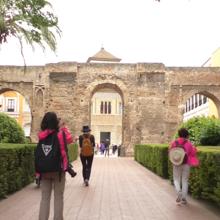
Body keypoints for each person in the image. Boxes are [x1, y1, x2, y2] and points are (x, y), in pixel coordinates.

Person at [36, 112, 74, 220]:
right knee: (58, 197)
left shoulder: (41, 135)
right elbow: (70, 139)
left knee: (44, 198)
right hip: (58, 170)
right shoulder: (60, 134)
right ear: (55, 122)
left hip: (44, 170)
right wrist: (64, 127)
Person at [169, 128, 199, 205]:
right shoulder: (188, 143)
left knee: (176, 179)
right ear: (186, 135)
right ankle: (184, 199)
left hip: (176, 163)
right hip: (186, 163)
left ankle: (179, 192)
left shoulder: (174, 142)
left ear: (179, 134)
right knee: (185, 180)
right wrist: (195, 149)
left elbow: (170, 152)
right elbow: (192, 154)